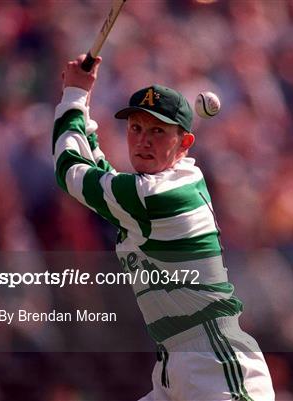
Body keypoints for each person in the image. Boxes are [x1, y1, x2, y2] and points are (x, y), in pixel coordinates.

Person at [53, 54, 275, 401]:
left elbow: (70, 171)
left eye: (158, 131)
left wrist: (74, 97)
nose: (143, 140)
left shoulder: (154, 195)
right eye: (136, 128)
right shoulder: (159, 186)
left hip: (215, 363)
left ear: (185, 143)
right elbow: (98, 166)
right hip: (175, 366)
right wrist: (83, 98)